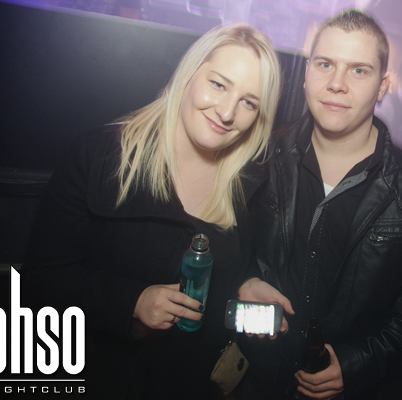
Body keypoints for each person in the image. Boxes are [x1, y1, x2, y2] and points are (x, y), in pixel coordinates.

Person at [21, 23, 281, 399]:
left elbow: (222, 274)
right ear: (189, 74)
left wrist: (245, 283)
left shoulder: (247, 185)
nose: (227, 112)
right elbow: (39, 282)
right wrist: (131, 303)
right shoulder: (98, 158)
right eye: (218, 84)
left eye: (249, 102)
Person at [237, 9, 402, 399]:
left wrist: (360, 362)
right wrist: (240, 282)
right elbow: (220, 245)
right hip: (254, 377)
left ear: (383, 87)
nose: (336, 84)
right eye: (325, 64)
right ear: (306, 73)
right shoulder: (257, 158)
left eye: (358, 70)